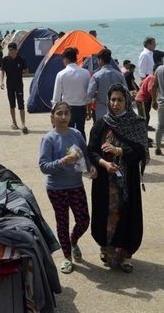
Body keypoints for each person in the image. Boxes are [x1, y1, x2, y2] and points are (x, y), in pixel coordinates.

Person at [88, 84, 149, 273]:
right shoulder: (101, 123)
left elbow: (142, 151)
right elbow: (91, 150)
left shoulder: (136, 123)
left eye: (120, 100)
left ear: (127, 102)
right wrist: (104, 164)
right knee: (106, 214)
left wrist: (119, 151)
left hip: (127, 180)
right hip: (105, 181)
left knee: (126, 215)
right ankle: (106, 248)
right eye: (113, 100)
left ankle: (124, 256)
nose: (115, 104)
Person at [39, 101, 97, 274]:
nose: (63, 117)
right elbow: (43, 166)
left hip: (76, 185)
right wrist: (62, 162)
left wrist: (91, 167)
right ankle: (67, 257)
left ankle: (73, 241)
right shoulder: (49, 138)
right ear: (53, 117)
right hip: (56, 188)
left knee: (84, 220)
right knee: (62, 222)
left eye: (66, 113)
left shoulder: (77, 134)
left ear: (70, 116)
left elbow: (85, 156)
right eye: (59, 113)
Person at [52, 47, 90, 139]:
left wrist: (54, 112)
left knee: (67, 131)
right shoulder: (85, 73)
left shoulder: (61, 74)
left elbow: (56, 97)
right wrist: (89, 110)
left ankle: (69, 151)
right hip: (81, 107)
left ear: (66, 59)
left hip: (67, 108)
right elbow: (88, 94)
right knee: (81, 130)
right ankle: (83, 150)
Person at [87, 48, 127, 121]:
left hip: (102, 109)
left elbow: (89, 94)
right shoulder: (119, 75)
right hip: (117, 109)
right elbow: (126, 92)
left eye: (98, 60)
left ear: (101, 60)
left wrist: (97, 93)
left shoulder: (96, 76)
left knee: (102, 131)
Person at [0, 42, 29, 133]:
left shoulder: (21, 59)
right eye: (9, 50)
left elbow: (26, 70)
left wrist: (24, 73)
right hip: (10, 85)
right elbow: (2, 71)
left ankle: (23, 124)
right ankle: (14, 123)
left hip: (19, 85)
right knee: (12, 104)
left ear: (16, 50)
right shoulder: (5, 59)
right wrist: (1, 82)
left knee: (21, 104)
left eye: (12, 50)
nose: (10, 51)